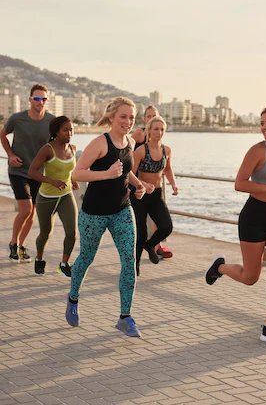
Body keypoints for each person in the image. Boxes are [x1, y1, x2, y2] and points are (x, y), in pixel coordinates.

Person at [204, 105, 266, 346]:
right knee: (250, 277)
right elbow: (240, 183)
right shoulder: (256, 151)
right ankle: (220, 267)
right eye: (262, 123)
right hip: (254, 217)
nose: (264, 127)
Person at [64, 97, 148, 338]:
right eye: (123, 116)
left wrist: (138, 184)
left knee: (129, 262)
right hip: (94, 214)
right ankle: (73, 297)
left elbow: (126, 169)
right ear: (111, 117)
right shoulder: (99, 143)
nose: (128, 121)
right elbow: (78, 173)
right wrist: (107, 174)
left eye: (131, 117)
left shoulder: (130, 142)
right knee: (87, 257)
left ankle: (125, 317)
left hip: (122, 210)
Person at [0, 83, 55, 263]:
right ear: (30, 100)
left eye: (43, 99)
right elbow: (3, 134)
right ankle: (13, 242)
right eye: (37, 98)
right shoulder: (17, 119)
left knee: (32, 213)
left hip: (39, 173)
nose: (40, 102)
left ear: (47, 101)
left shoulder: (51, 121)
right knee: (25, 209)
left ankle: (21, 245)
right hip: (19, 170)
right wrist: (10, 155)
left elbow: (57, 145)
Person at [27, 116, 79, 277]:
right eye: (65, 130)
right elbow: (32, 172)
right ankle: (39, 259)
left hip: (66, 195)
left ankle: (64, 264)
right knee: (46, 232)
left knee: (72, 232)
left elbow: (68, 170)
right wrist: (52, 181)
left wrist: (72, 180)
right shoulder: (47, 149)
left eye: (71, 129)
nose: (69, 133)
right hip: (46, 197)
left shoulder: (73, 148)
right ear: (56, 132)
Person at [131, 116, 178, 276]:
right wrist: (142, 185)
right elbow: (130, 173)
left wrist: (173, 184)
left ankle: (150, 245)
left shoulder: (167, 150)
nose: (159, 132)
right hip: (140, 195)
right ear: (149, 130)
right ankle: (134, 266)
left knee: (166, 226)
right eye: (156, 129)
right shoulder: (141, 150)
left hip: (156, 195)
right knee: (140, 232)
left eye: (162, 129)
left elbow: (168, 169)